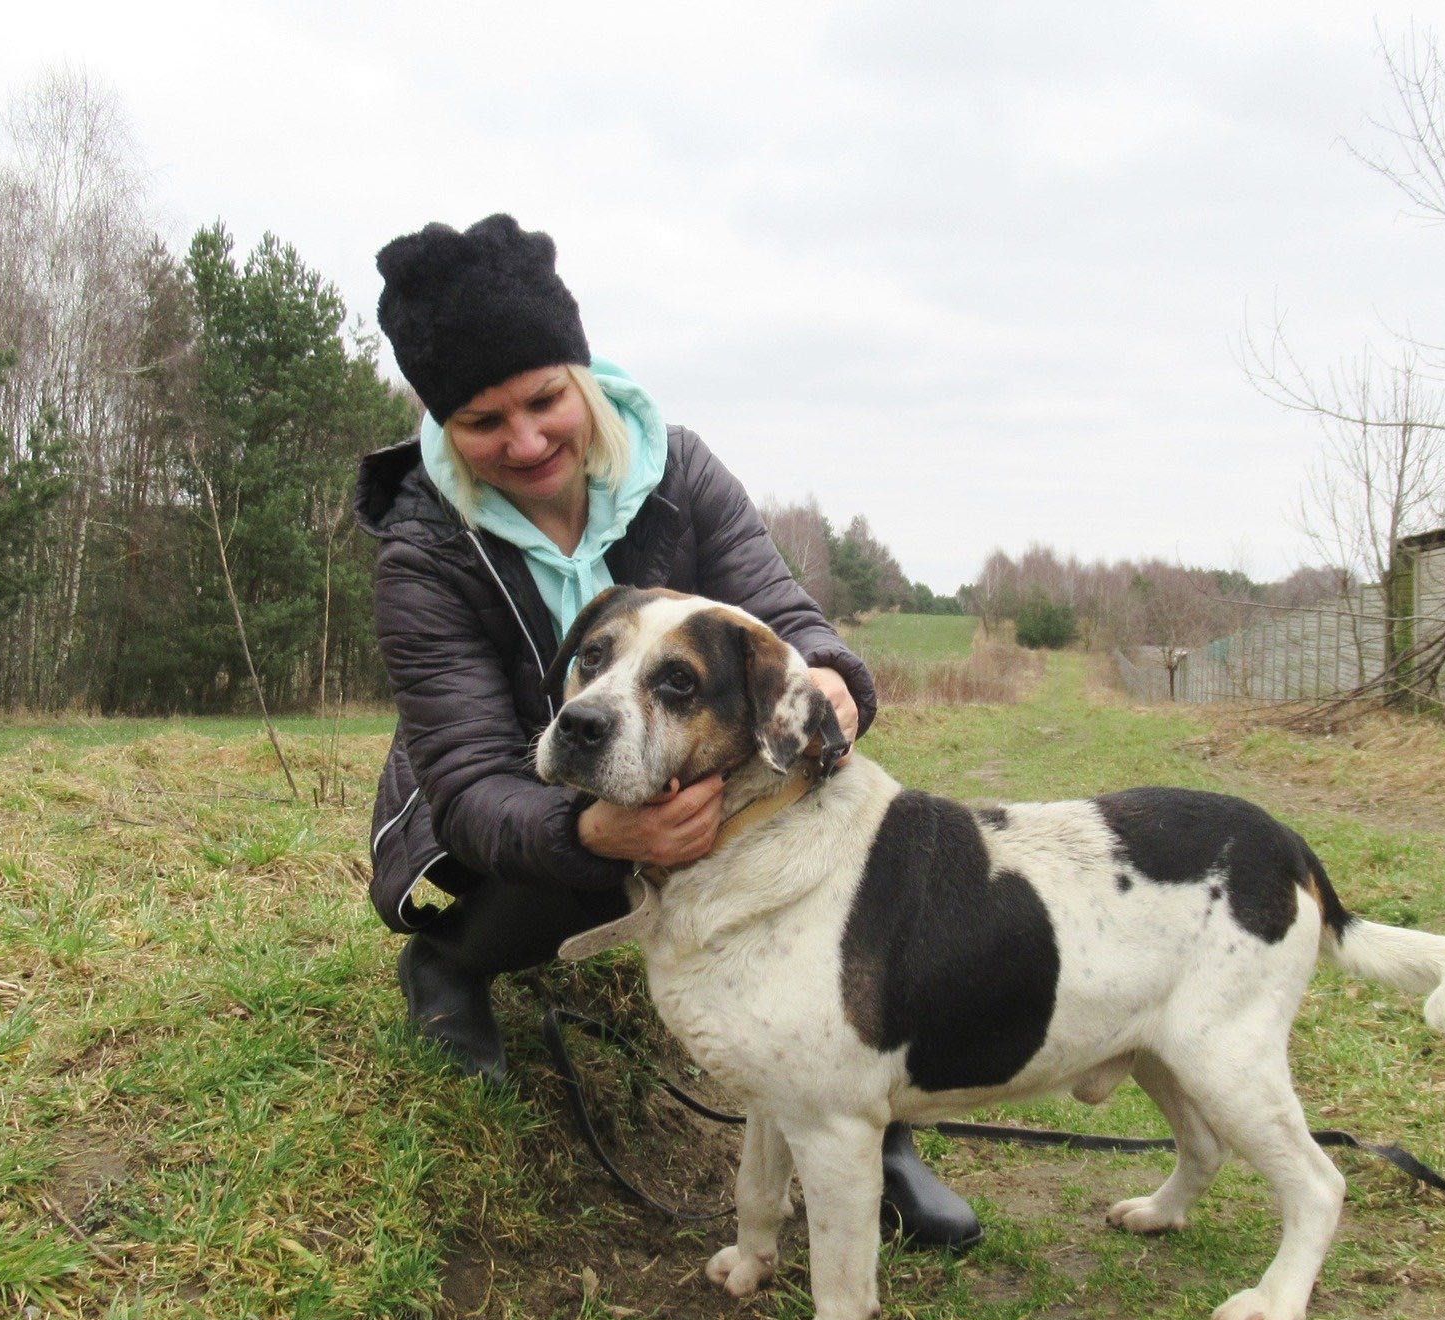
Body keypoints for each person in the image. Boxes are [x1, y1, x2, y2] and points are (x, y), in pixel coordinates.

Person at [355, 214, 980, 1251]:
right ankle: (451, 966)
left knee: (834, 854)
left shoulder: (676, 471)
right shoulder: (424, 549)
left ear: (581, 376)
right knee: (527, 858)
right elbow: (464, 780)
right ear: (439, 422)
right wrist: (602, 833)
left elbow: (787, 619)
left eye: (544, 398)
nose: (524, 441)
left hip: (681, 783)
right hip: (515, 805)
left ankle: (875, 1132)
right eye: (480, 420)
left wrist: (829, 686)